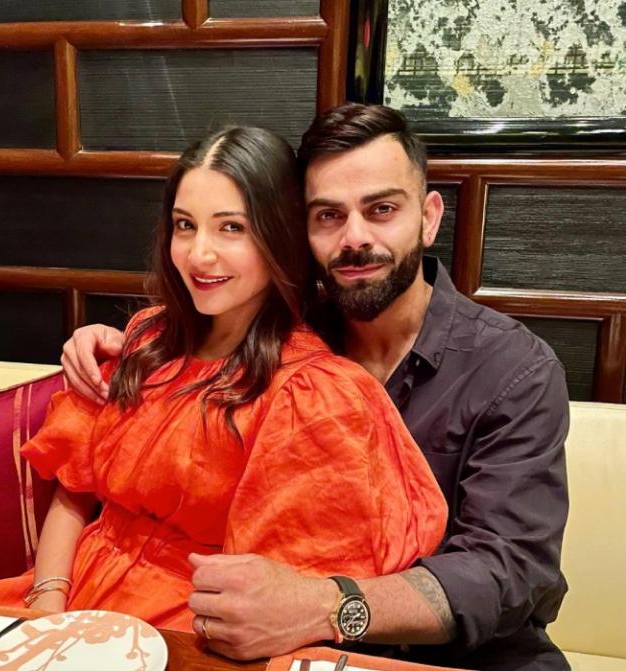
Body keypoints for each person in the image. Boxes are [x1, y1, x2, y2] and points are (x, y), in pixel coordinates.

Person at [61, 105, 570, 670]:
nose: (355, 238)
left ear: (428, 218)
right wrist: (113, 346)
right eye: (328, 215)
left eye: (381, 210)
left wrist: (330, 606)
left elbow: (508, 569)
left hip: (468, 657)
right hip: (290, 651)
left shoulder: (512, 368)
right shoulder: (280, 333)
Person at [0, 125, 447, 632]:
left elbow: (282, 591)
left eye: (231, 228)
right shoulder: (145, 337)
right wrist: (47, 605)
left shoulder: (312, 392)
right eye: (185, 225)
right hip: (71, 595)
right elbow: (75, 488)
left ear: (279, 237)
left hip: (189, 627)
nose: (199, 254)